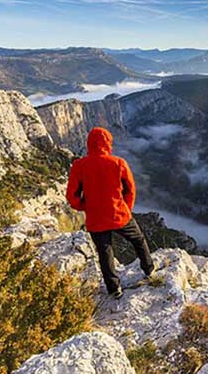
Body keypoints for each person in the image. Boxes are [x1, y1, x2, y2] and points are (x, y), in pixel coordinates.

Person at [66, 127, 154, 299]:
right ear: (108, 143)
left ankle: (114, 289)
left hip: (95, 218)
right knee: (138, 240)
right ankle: (149, 270)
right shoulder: (118, 163)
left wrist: (85, 206)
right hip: (119, 214)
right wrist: (126, 208)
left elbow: (72, 196)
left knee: (105, 252)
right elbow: (130, 190)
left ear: (89, 144)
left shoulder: (79, 166)